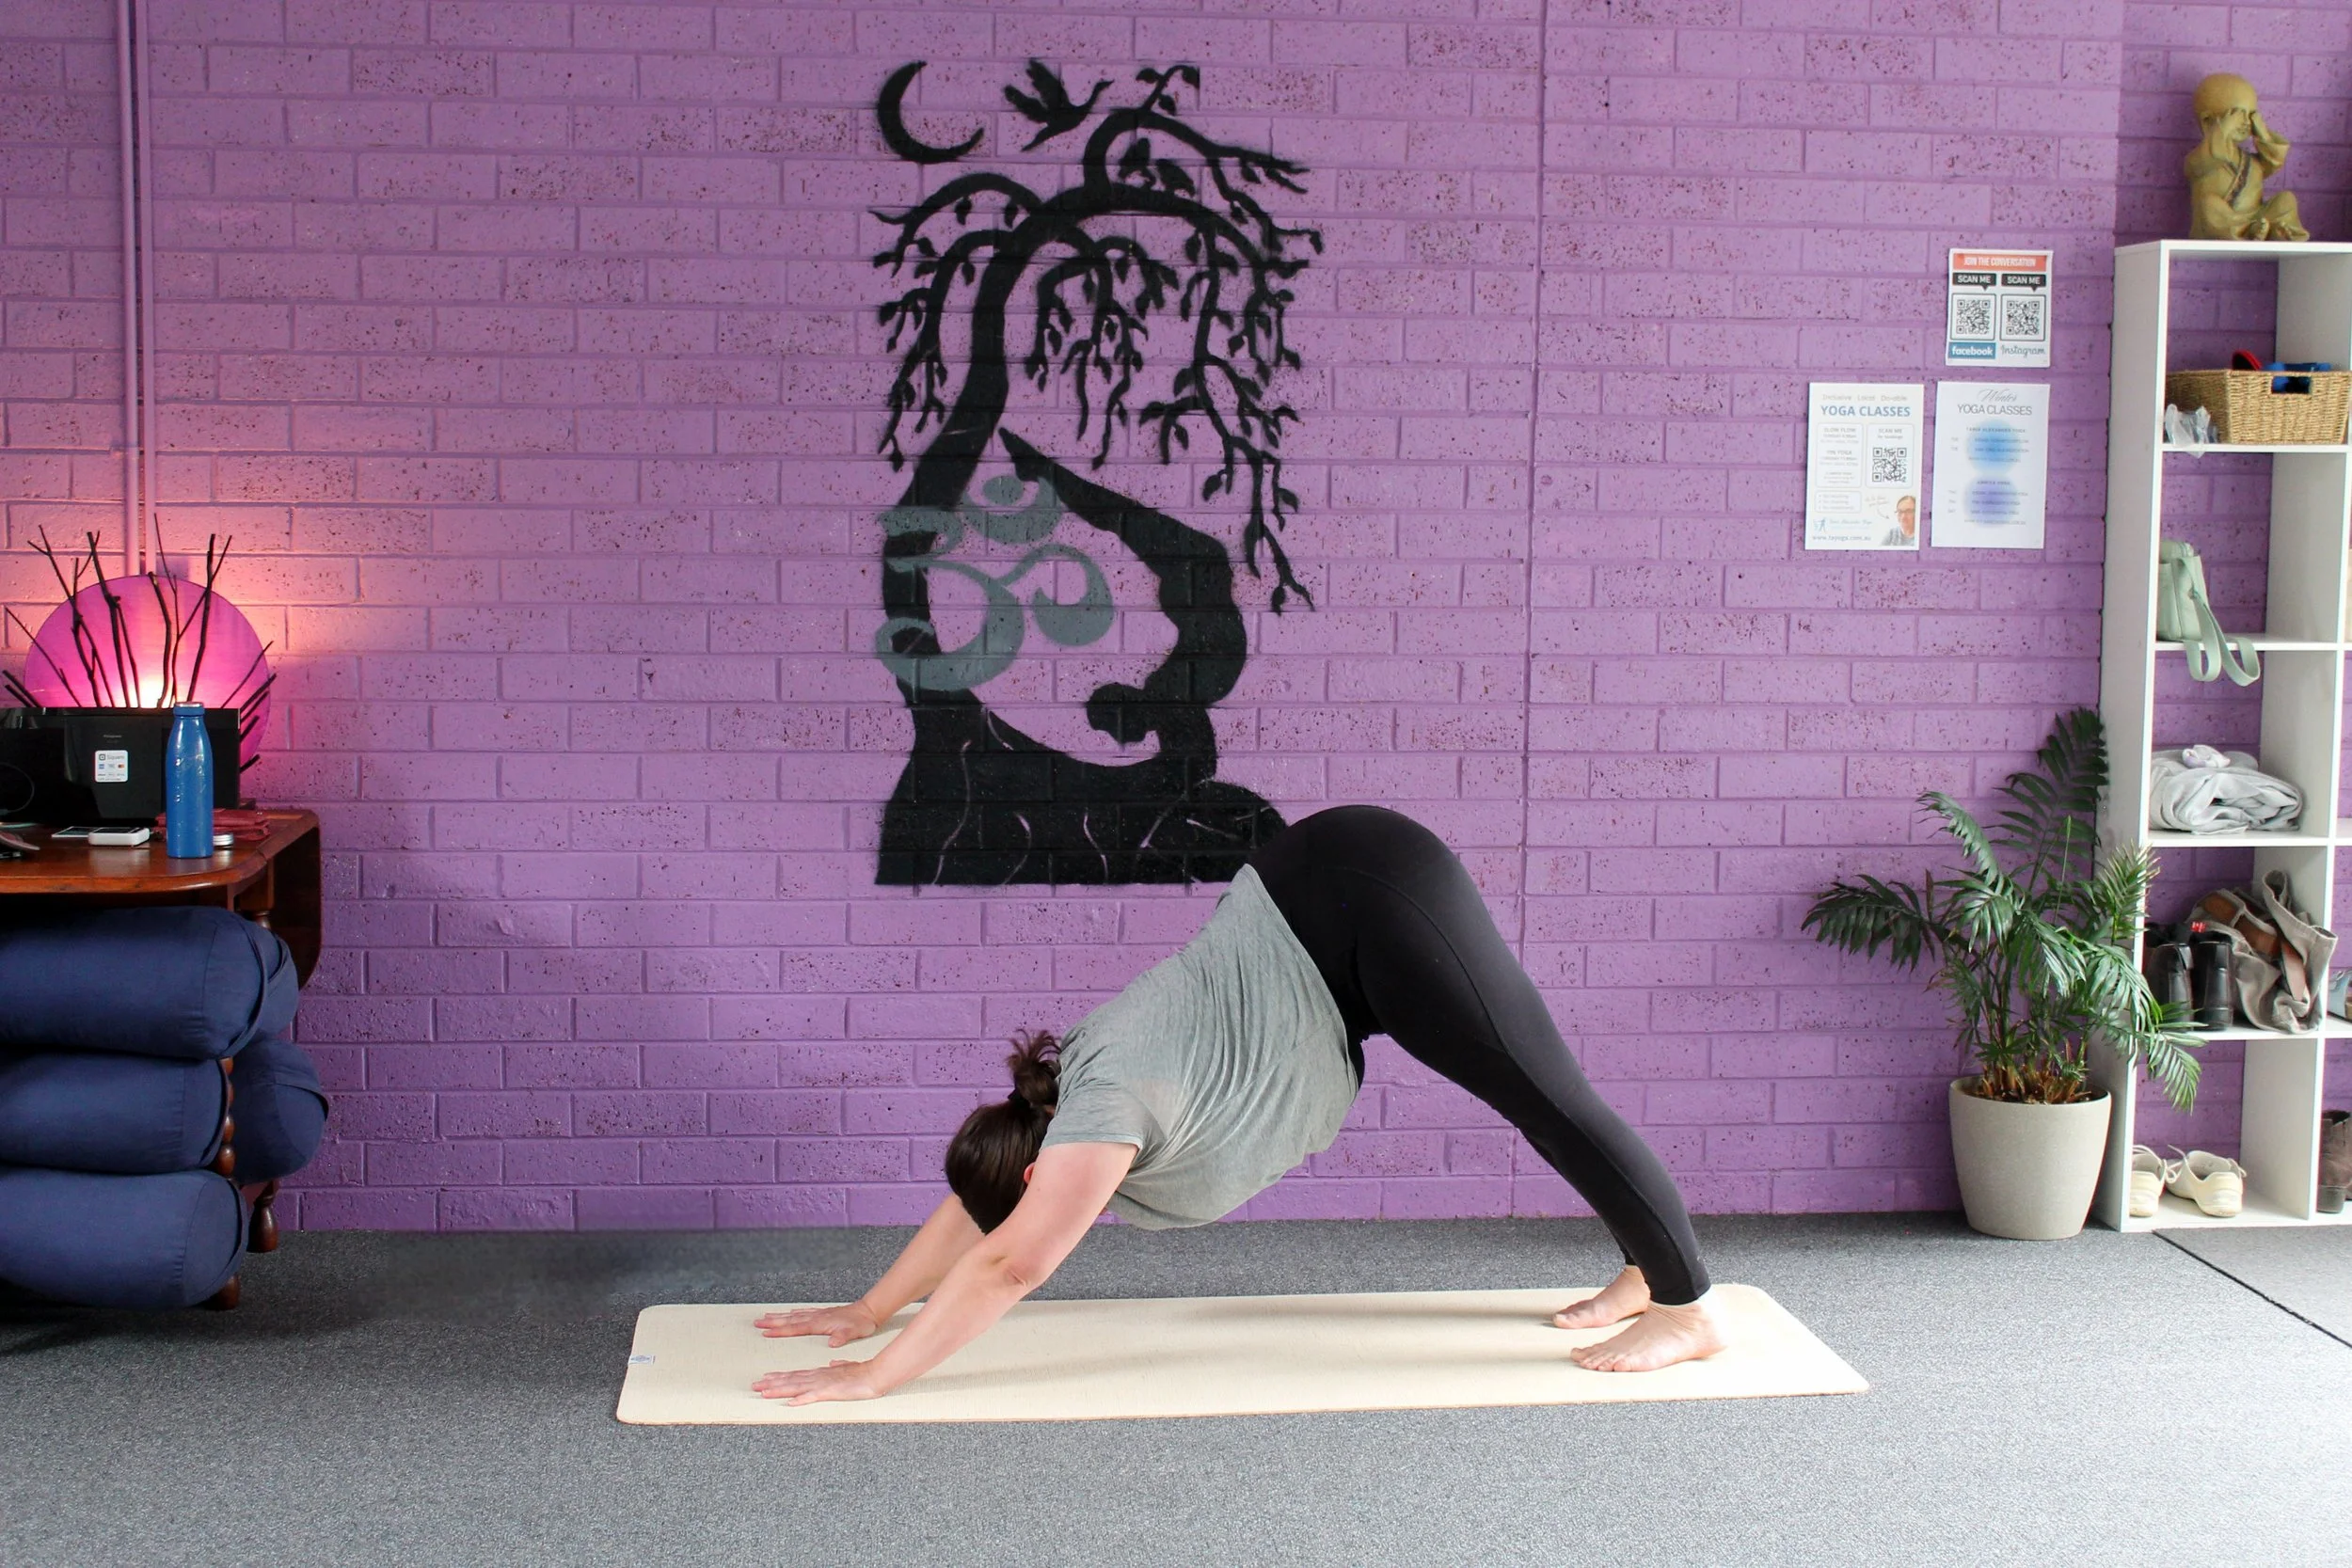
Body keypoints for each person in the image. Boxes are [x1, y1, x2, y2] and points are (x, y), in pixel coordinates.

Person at [753, 805, 1725, 1405]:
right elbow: (985, 1204)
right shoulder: (1047, 1116)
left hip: (1364, 897)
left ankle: (1684, 1306)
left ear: (1046, 1167)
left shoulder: (1104, 1111)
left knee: (1545, 1095)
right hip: (1324, 942)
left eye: (1043, 1195)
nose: (1058, 1212)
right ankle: (1644, 1266)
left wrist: (875, 1375)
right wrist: (870, 1306)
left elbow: (1011, 1257)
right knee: (1537, 1097)